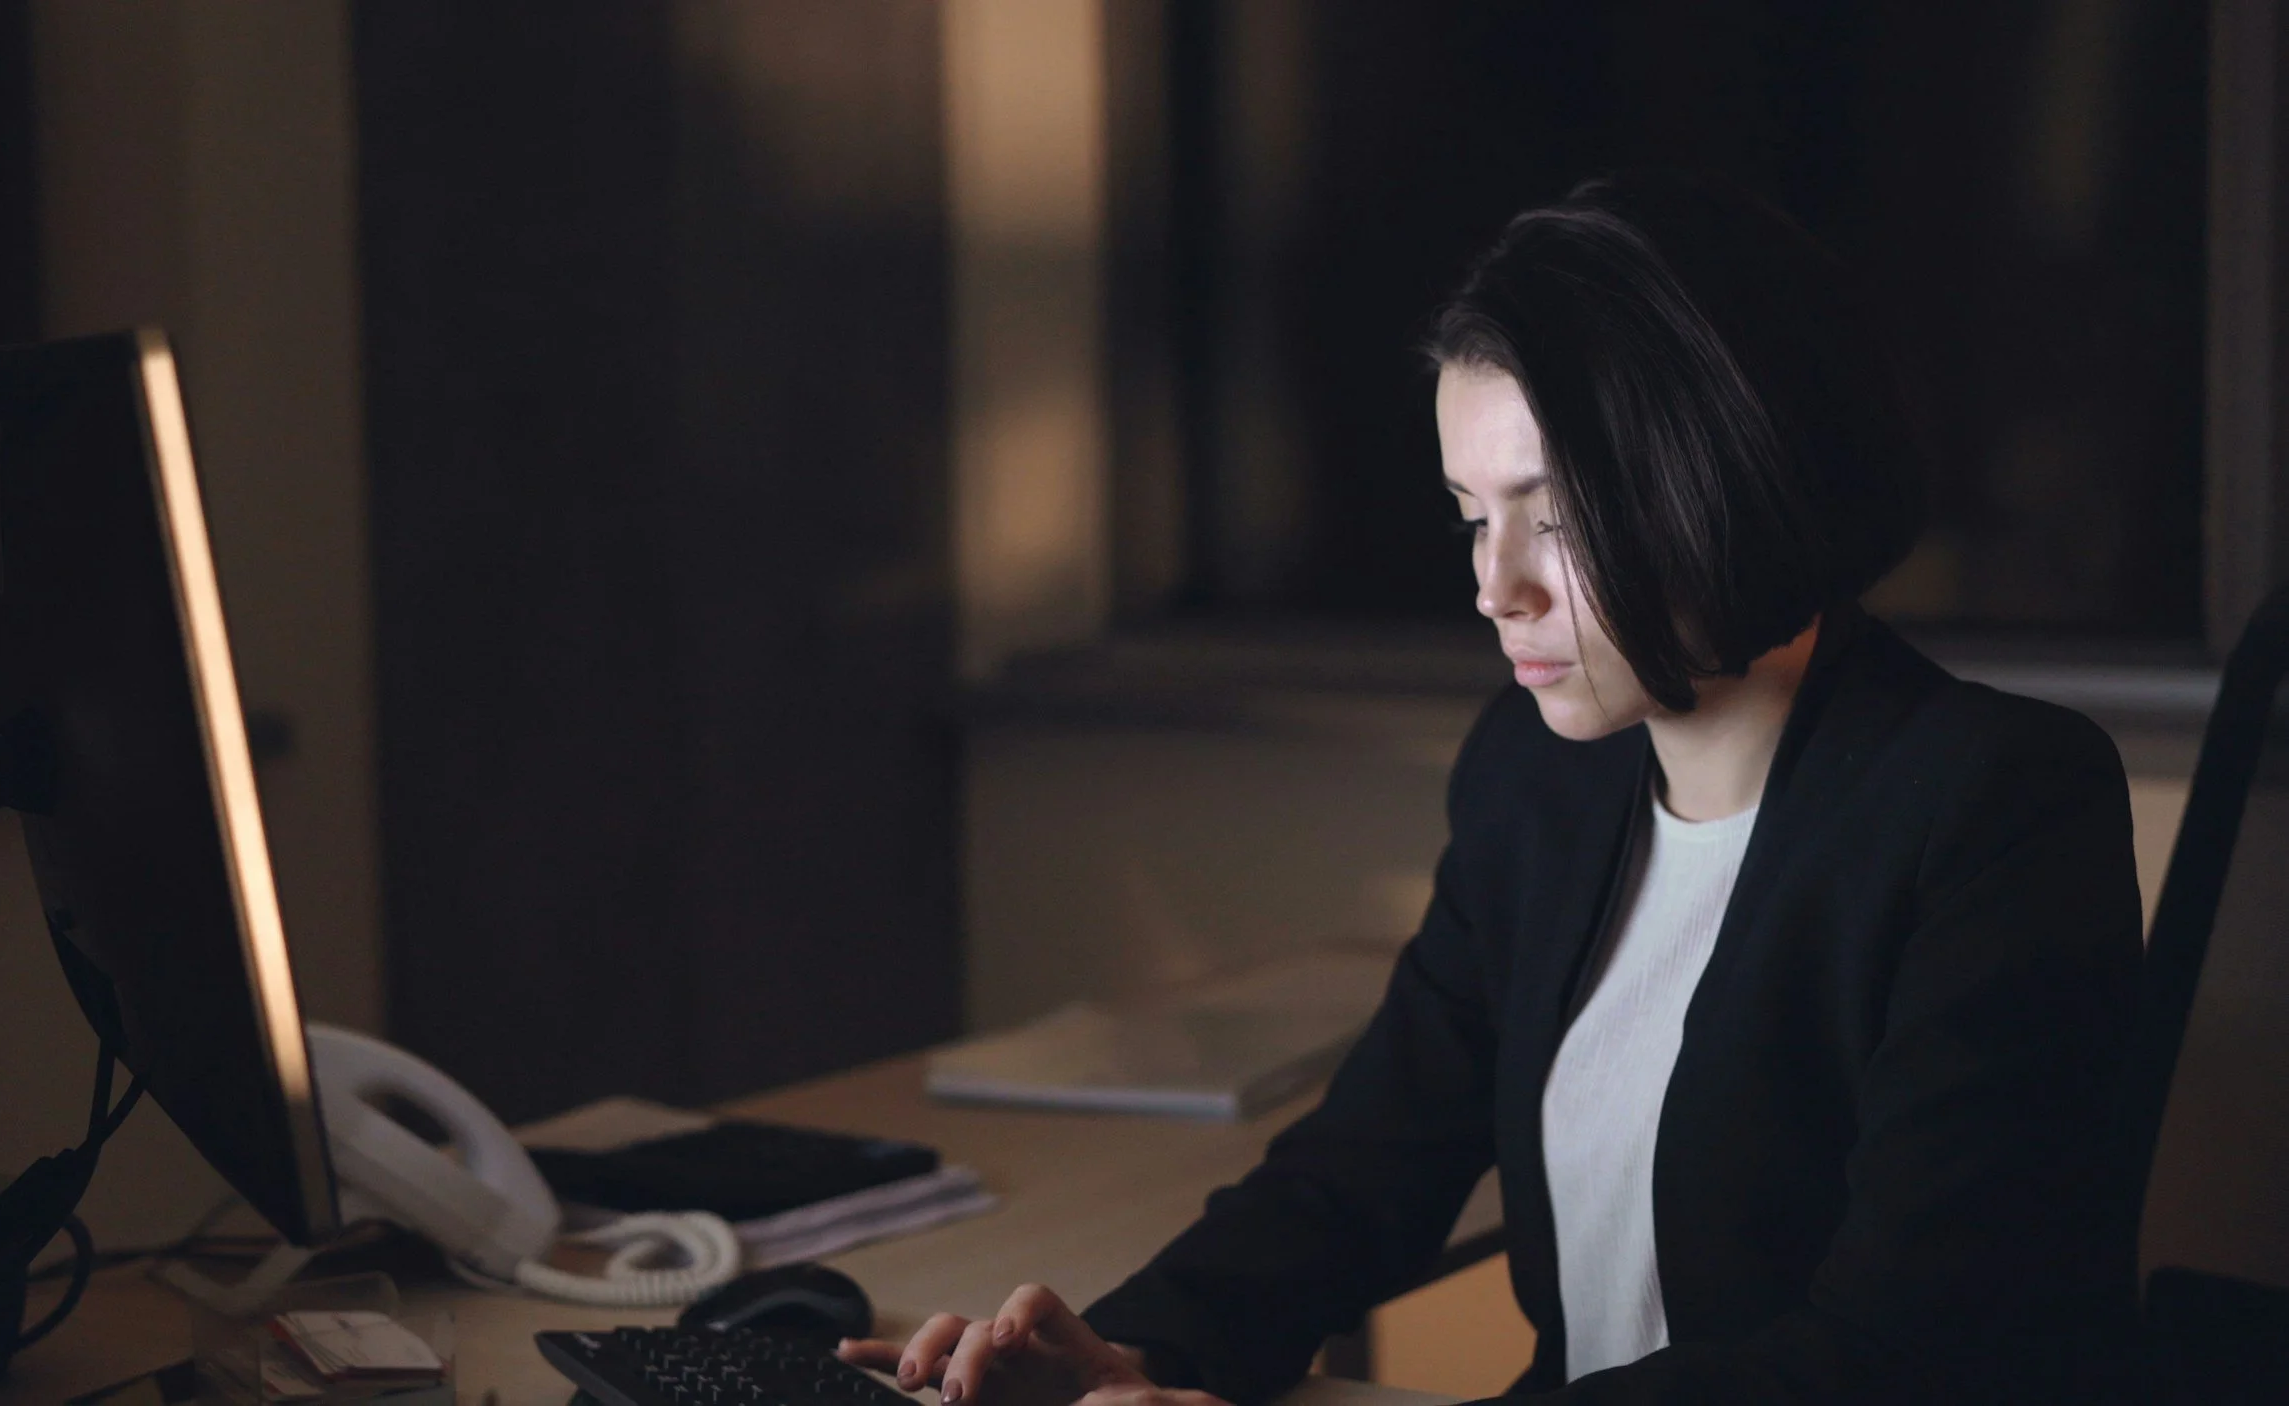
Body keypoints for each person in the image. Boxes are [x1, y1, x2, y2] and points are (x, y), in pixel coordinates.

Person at [839, 172, 2145, 1404]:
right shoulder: (1541, 778)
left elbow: (1895, 1357)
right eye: (1475, 513)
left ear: (1730, 472)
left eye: (1556, 514)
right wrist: (1124, 1348)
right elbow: (1364, 1167)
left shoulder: (1996, 806)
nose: (1495, 583)